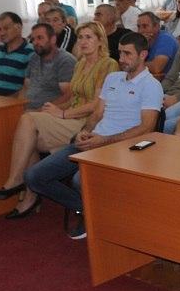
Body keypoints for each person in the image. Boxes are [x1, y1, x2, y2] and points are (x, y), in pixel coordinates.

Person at [24, 32, 162, 240]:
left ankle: (91, 212)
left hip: (121, 146)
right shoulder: (113, 78)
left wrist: (104, 141)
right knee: (34, 176)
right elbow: (97, 114)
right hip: (94, 140)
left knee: (80, 179)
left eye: (127, 54)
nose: (121, 59)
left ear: (143, 55)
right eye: (120, 53)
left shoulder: (151, 86)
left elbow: (147, 127)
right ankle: (88, 209)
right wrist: (84, 132)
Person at [0, 22, 117, 219]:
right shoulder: (81, 63)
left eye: (89, 37)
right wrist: (53, 109)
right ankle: (28, 194)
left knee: (28, 124)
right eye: (80, 37)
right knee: (29, 133)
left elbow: (96, 105)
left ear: (100, 41)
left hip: (88, 122)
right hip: (71, 115)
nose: (83, 42)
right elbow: (73, 98)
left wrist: (62, 114)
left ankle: (18, 182)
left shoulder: (108, 64)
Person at [16, 23, 75, 110]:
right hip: (27, 109)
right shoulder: (34, 57)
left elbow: (68, 96)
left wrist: (39, 111)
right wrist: (17, 107)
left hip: (48, 112)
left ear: (53, 39)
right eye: (33, 39)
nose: (35, 43)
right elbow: (25, 88)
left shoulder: (65, 60)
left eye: (40, 38)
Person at [0, 12, 35, 97]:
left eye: (6, 28)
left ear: (19, 28)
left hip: (12, 102)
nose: (2, 33)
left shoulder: (31, 51)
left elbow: (29, 87)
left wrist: (5, 102)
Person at [137, 11, 179, 79]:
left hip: (168, 82)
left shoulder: (166, 39)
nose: (140, 31)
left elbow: (156, 68)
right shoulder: (145, 41)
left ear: (156, 26)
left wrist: (135, 64)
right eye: (138, 27)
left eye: (145, 26)